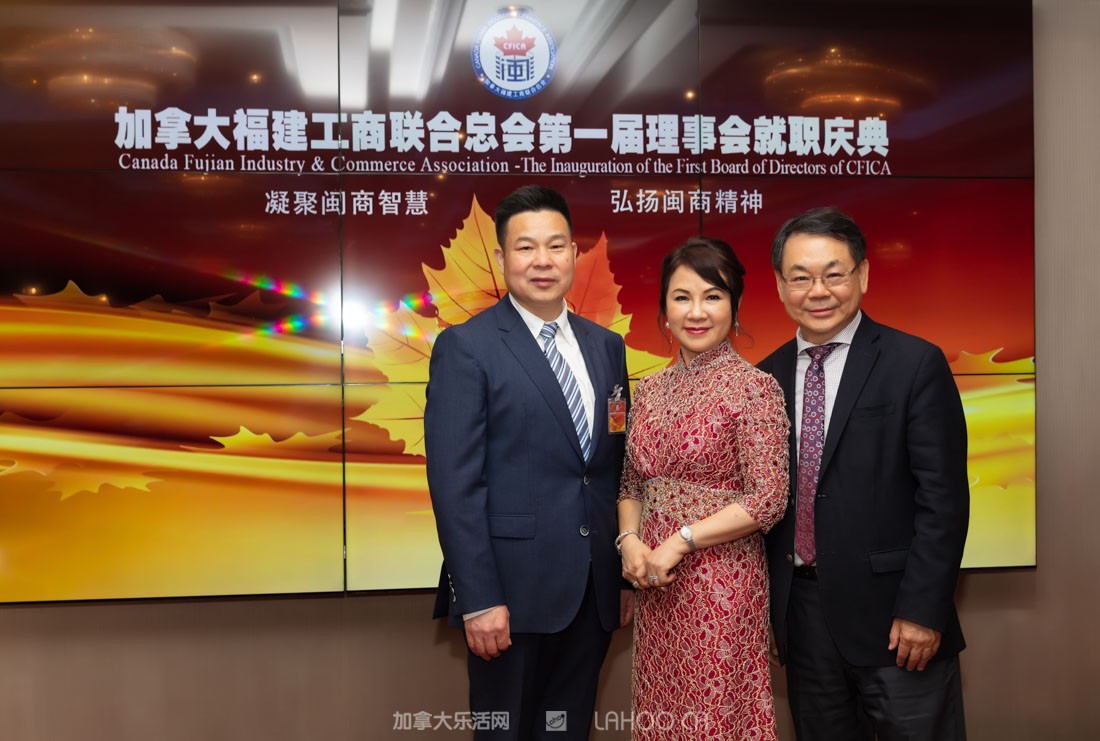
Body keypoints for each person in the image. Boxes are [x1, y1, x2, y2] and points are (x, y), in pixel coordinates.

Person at [424, 185, 631, 740]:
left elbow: (610, 468)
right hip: (509, 598)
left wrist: (619, 578)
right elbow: (455, 486)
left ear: (574, 254)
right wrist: (479, 599)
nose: (543, 260)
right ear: (501, 257)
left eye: (556, 246)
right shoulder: (467, 347)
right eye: (526, 247)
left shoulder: (606, 347)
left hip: (592, 593)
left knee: (567, 730)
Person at [757, 207, 969, 741]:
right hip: (803, 620)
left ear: (864, 275)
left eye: (834, 273)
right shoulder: (765, 378)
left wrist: (923, 609)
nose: (818, 291)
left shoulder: (914, 363)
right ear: (780, 286)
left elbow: (943, 500)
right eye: (800, 277)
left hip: (896, 619)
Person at [617, 237, 790, 740]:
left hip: (722, 583)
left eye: (713, 296)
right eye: (682, 297)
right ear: (664, 309)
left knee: (715, 719)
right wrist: (629, 542)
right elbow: (631, 482)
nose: (696, 312)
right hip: (655, 581)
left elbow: (768, 499)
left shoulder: (755, 388)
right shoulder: (649, 389)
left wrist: (681, 541)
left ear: (734, 306)